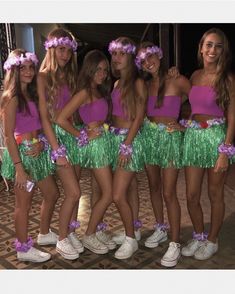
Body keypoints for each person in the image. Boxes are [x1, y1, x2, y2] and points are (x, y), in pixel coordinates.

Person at [181, 28, 235, 260]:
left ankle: (212, 240)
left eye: (218, 46)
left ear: (223, 51)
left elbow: (232, 117)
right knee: (191, 195)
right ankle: (200, 235)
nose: (213, 50)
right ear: (201, 48)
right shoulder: (193, 76)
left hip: (216, 139)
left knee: (215, 194)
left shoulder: (227, 78)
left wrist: (225, 150)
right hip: (194, 138)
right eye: (209, 45)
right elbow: (193, 107)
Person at [135, 42, 191, 267]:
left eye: (151, 56)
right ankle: (160, 227)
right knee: (154, 187)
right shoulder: (146, 85)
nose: (148, 62)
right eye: (143, 60)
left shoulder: (177, 79)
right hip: (150, 138)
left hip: (169, 139)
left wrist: (185, 125)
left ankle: (175, 242)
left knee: (169, 192)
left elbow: (201, 102)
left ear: (159, 55)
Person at [0, 49, 59, 262]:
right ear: (13, 70)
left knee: (52, 193)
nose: (28, 71)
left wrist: (43, 143)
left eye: (30, 67)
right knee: (23, 205)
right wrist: (19, 169)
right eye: (22, 67)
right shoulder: (12, 98)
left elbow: (39, 126)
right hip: (22, 156)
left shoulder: (31, 94)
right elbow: (8, 136)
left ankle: (43, 234)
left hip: (38, 151)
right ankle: (23, 249)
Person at [56, 49, 116, 254]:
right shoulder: (84, 92)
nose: (102, 74)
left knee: (99, 191)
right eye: (97, 69)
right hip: (95, 147)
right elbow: (61, 119)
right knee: (109, 193)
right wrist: (82, 135)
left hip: (103, 143)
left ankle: (94, 230)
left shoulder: (100, 91)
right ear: (89, 69)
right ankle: (89, 234)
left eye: (105, 70)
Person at [37, 28, 84, 260]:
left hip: (73, 136)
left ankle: (72, 230)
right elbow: (46, 117)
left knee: (76, 189)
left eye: (68, 50)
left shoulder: (70, 76)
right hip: (56, 138)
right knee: (73, 193)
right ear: (51, 49)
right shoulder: (43, 77)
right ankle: (62, 238)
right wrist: (56, 149)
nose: (65, 54)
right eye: (61, 49)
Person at [108, 37, 147, 259]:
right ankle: (134, 229)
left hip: (129, 141)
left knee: (117, 194)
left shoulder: (138, 83)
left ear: (131, 57)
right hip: (116, 139)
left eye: (122, 54)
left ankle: (130, 239)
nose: (116, 58)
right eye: (114, 54)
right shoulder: (116, 83)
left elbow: (139, 115)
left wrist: (127, 145)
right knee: (130, 188)